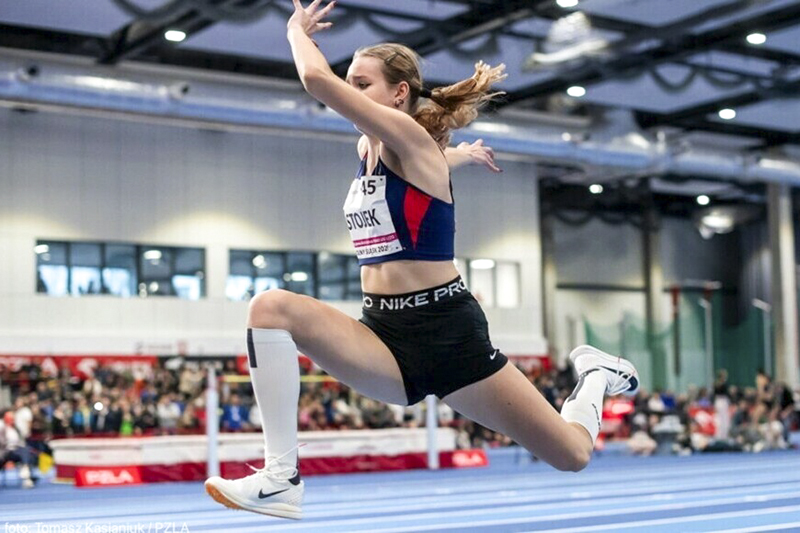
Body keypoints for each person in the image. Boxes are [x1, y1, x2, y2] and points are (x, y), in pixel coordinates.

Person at [205, 0, 639, 520]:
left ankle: (597, 374)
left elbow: (316, 81)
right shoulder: (371, 151)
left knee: (572, 455)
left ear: (399, 93)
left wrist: (297, 30)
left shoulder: (408, 138)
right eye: (351, 82)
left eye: (361, 84)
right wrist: (464, 155)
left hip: (449, 333)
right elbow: (421, 170)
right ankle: (281, 479)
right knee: (270, 307)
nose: (351, 92)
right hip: (384, 333)